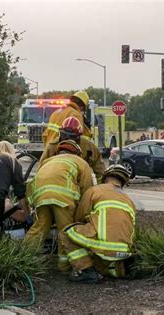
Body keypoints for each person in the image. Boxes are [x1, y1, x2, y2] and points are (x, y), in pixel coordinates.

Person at [25, 140, 95, 271]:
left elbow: (33, 182)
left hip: (40, 196)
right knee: (65, 231)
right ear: (77, 153)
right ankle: (64, 266)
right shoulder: (80, 162)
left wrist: (32, 203)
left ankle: (23, 258)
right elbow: (87, 190)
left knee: (40, 227)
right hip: (63, 199)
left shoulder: (48, 161)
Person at [60, 164, 136, 283]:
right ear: (123, 182)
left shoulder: (95, 190)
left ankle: (86, 271)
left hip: (102, 247)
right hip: (124, 251)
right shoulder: (129, 200)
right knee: (102, 259)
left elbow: (79, 217)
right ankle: (116, 269)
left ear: (105, 178)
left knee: (67, 232)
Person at [39, 116, 105, 182]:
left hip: (78, 181)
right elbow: (41, 169)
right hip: (58, 180)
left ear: (79, 136)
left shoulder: (88, 147)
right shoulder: (52, 146)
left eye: (72, 137)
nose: (68, 140)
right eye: (64, 136)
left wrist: (101, 187)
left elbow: (100, 169)